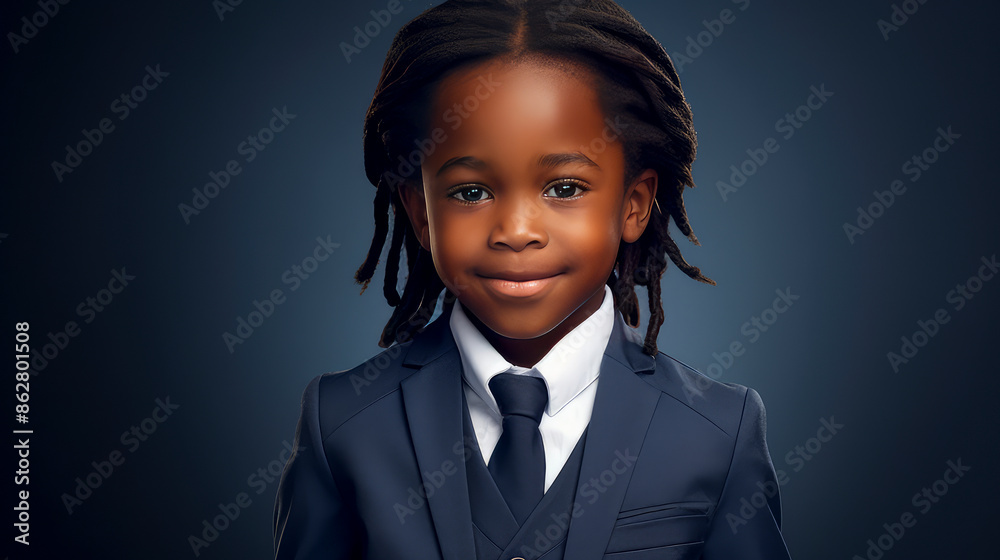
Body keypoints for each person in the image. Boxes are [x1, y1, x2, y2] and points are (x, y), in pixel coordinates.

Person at [274, 1, 792, 558]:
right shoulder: (343, 422)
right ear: (421, 213)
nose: (516, 231)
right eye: (470, 192)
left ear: (634, 204)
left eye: (564, 188)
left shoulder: (719, 430)